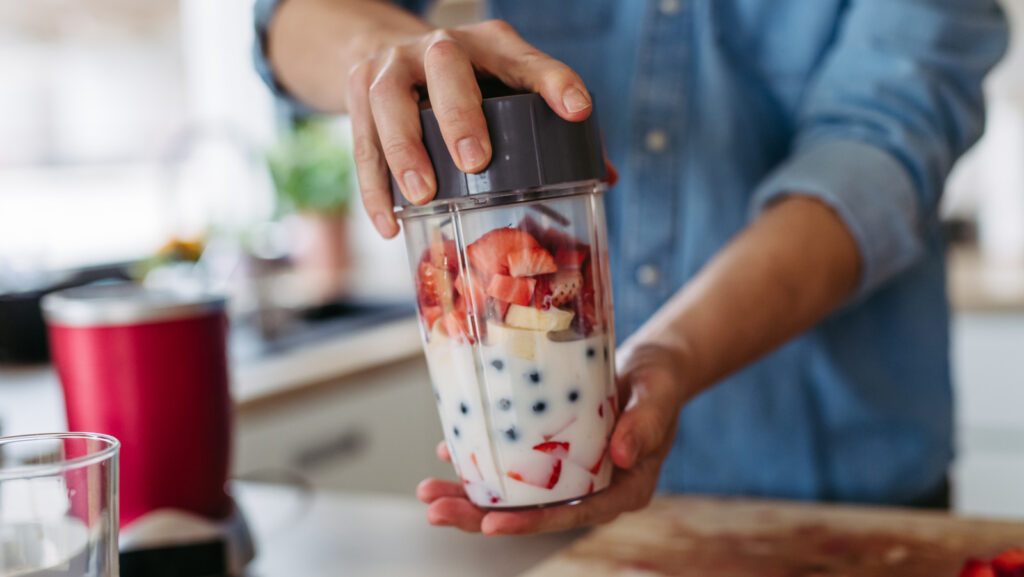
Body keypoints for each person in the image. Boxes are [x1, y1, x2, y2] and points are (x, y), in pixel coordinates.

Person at [254, 0, 1009, 535]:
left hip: (842, 508)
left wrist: (669, 354)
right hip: (560, 510)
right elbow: (287, 18)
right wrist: (401, 54)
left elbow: (876, 161)